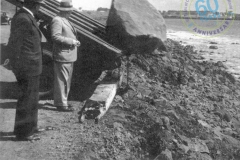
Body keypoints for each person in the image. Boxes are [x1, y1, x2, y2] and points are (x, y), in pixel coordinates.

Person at [7, 0, 46, 141]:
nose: (40, 8)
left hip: (32, 66)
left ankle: (32, 127)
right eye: (39, 5)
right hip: (26, 67)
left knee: (32, 99)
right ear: (34, 5)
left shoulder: (27, 17)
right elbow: (15, 44)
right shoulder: (23, 18)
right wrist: (16, 66)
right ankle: (23, 133)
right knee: (26, 100)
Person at [51, 0, 80, 112]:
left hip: (68, 55)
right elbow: (55, 37)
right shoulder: (57, 20)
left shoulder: (65, 20)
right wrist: (72, 41)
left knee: (66, 81)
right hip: (62, 55)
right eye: (68, 11)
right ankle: (61, 104)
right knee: (62, 81)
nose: (70, 13)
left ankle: (63, 102)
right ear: (63, 11)